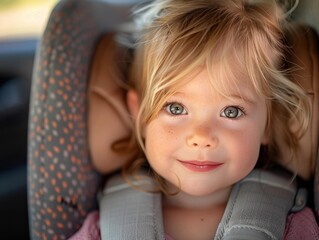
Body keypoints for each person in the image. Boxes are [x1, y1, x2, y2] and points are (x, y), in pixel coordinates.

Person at [71, 0, 319, 239]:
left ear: (268, 122)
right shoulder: (104, 230)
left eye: (231, 111)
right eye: (176, 108)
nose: (201, 137)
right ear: (140, 114)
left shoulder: (291, 226)